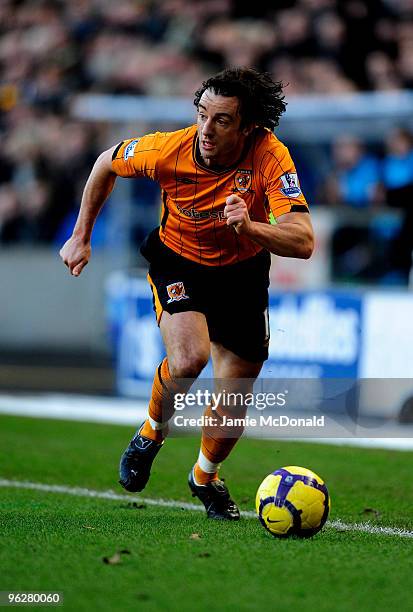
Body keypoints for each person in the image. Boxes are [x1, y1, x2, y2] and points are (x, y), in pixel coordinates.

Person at [60, 67, 314, 520]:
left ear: (248, 127)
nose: (206, 130)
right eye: (202, 115)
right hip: (180, 261)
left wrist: (251, 226)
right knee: (189, 360)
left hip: (242, 273)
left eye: (222, 120)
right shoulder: (166, 150)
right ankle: (151, 433)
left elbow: (304, 239)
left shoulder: (271, 156)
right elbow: (105, 163)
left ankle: (204, 477)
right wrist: (82, 236)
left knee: (234, 394)